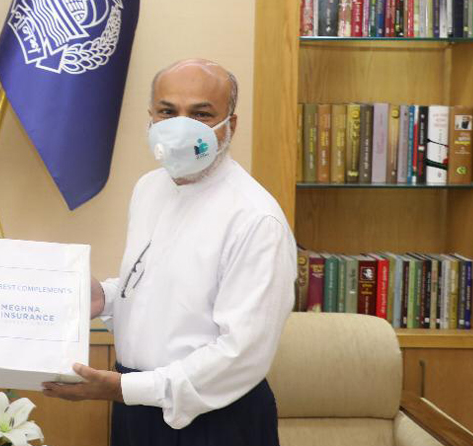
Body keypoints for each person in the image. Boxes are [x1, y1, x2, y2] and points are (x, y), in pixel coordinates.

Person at [43, 59, 297, 446]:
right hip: (135, 406)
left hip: (215, 419)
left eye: (200, 114)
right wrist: (107, 297)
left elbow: (241, 353)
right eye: (167, 111)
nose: (181, 126)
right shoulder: (149, 188)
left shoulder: (256, 219)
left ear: (230, 124)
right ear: (150, 118)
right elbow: (160, 286)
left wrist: (128, 389)